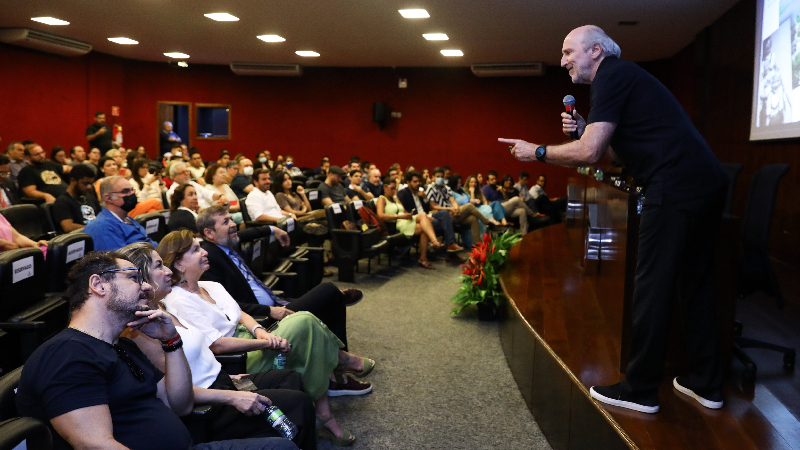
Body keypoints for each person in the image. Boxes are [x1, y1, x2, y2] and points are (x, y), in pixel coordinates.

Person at [500, 25, 730, 414]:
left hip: (674, 185)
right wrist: (585, 128)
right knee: (695, 283)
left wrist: (536, 151)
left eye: (568, 51)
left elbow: (590, 154)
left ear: (595, 51)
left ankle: (640, 389)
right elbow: (613, 155)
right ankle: (706, 382)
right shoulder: (622, 79)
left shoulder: (613, 74)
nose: (563, 61)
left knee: (652, 286)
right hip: (703, 183)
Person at [15, 251, 296, 450]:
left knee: (281, 444)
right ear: (98, 285)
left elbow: (180, 404)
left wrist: (171, 341)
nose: (147, 286)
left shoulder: (122, 345)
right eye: (134, 278)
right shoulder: (68, 354)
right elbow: (94, 444)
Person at [158, 231, 372, 446]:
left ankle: (324, 409)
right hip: (237, 355)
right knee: (305, 321)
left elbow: (240, 314)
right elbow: (217, 344)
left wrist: (259, 330)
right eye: (196, 250)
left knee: (308, 329)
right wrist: (264, 342)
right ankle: (341, 364)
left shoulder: (211, 285)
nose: (205, 251)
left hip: (250, 338)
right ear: (178, 264)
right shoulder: (179, 299)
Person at [118, 242, 317, 449]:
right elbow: (175, 393)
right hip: (205, 406)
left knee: (289, 378)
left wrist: (230, 378)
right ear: (140, 278)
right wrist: (231, 396)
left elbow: (198, 359)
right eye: (159, 266)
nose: (168, 271)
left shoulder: (162, 307)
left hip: (220, 382)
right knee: (297, 405)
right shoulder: (141, 329)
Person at [196, 206, 362, 358]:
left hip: (277, 304)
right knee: (328, 290)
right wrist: (269, 310)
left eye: (231, 219)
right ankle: (342, 360)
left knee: (333, 302)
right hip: (263, 318)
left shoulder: (225, 242)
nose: (233, 224)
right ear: (209, 233)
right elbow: (225, 306)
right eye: (226, 222)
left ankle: (339, 357)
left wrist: (272, 229)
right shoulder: (209, 260)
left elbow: (248, 233)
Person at [377, 177, 444, 270]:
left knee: (424, 215)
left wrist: (408, 215)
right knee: (424, 228)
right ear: (385, 187)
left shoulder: (395, 199)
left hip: (404, 220)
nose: (394, 191)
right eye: (392, 188)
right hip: (396, 224)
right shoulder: (382, 199)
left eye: (395, 188)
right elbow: (381, 215)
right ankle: (427, 253)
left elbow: (404, 211)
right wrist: (400, 216)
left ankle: (433, 243)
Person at [396, 170, 464, 261]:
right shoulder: (403, 193)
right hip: (416, 221)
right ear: (408, 182)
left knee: (444, 214)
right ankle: (450, 252)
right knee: (445, 222)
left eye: (419, 181)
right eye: (415, 182)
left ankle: (451, 246)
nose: (418, 183)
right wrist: (425, 218)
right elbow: (406, 213)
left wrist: (424, 198)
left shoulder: (420, 192)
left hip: (426, 216)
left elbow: (426, 209)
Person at [84, 176, 157, 251]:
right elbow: (118, 260)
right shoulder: (102, 227)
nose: (132, 194)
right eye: (125, 191)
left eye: (132, 190)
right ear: (109, 198)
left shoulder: (127, 219)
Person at [426, 166, 489, 248]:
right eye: (438, 176)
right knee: (469, 205)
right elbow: (433, 206)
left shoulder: (447, 188)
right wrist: (450, 208)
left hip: (453, 213)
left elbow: (453, 202)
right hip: (441, 214)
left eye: (441, 176)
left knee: (473, 219)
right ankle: (487, 221)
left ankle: (477, 246)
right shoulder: (430, 188)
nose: (440, 178)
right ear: (433, 177)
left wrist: (456, 209)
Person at [96, 156, 163, 217]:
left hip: (131, 205)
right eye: (108, 165)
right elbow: (102, 200)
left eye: (114, 164)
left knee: (152, 211)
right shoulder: (101, 182)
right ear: (102, 168)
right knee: (155, 202)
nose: (113, 167)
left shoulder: (122, 179)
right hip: (119, 209)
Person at [450, 174, 506, 239]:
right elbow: (454, 204)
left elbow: (471, 200)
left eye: (460, 182)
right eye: (458, 183)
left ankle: (478, 243)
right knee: (471, 206)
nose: (460, 184)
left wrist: (474, 200)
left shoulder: (462, 190)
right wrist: (472, 193)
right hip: (459, 212)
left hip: (471, 210)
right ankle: (489, 223)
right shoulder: (451, 192)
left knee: (479, 213)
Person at [481, 170, 537, 234]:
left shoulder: (497, 187)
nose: (494, 181)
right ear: (487, 181)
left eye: (495, 179)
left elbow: (505, 199)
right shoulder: (485, 189)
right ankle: (532, 214)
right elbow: (487, 204)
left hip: (505, 207)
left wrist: (502, 191)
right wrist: (498, 203)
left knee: (522, 211)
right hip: (497, 209)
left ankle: (523, 234)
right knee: (516, 199)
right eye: (492, 179)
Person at [52, 164, 102, 233]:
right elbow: (68, 227)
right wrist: (94, 228)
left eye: (91, 184)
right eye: (85, 183)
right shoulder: (62, 201)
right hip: (79, 239)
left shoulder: (91, 199)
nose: (89, 187)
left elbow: (102, 219)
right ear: (73, 181)